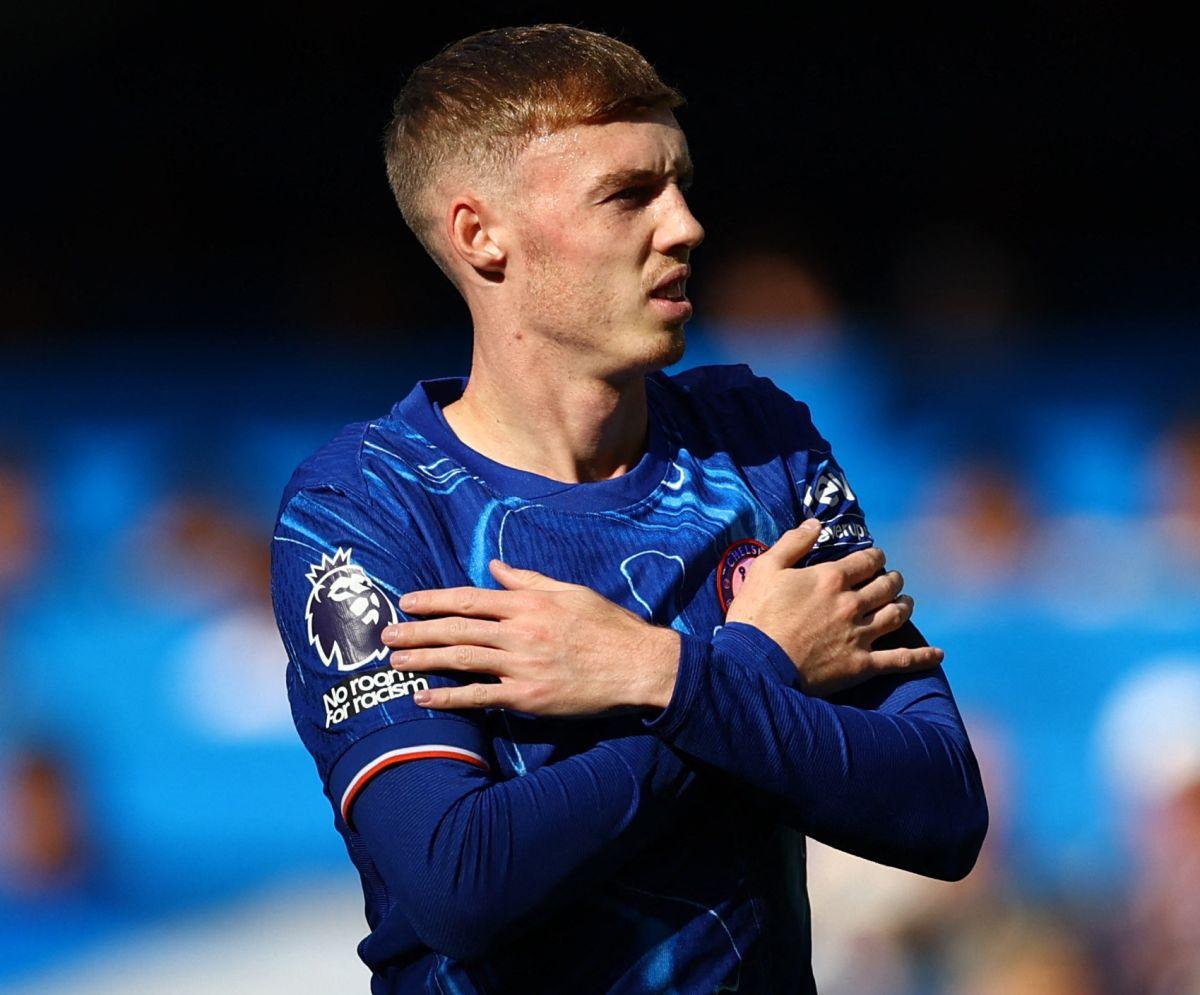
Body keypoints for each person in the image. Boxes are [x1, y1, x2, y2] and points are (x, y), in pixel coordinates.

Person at [269, 23, 988, 994]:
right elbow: (458, 881)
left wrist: (658, 674)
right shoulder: (366, 506)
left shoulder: (758, 440)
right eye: (628, 194)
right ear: (482, 234)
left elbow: (943, 805)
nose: (685, 225)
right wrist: (742, 668)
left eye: (681, 182)